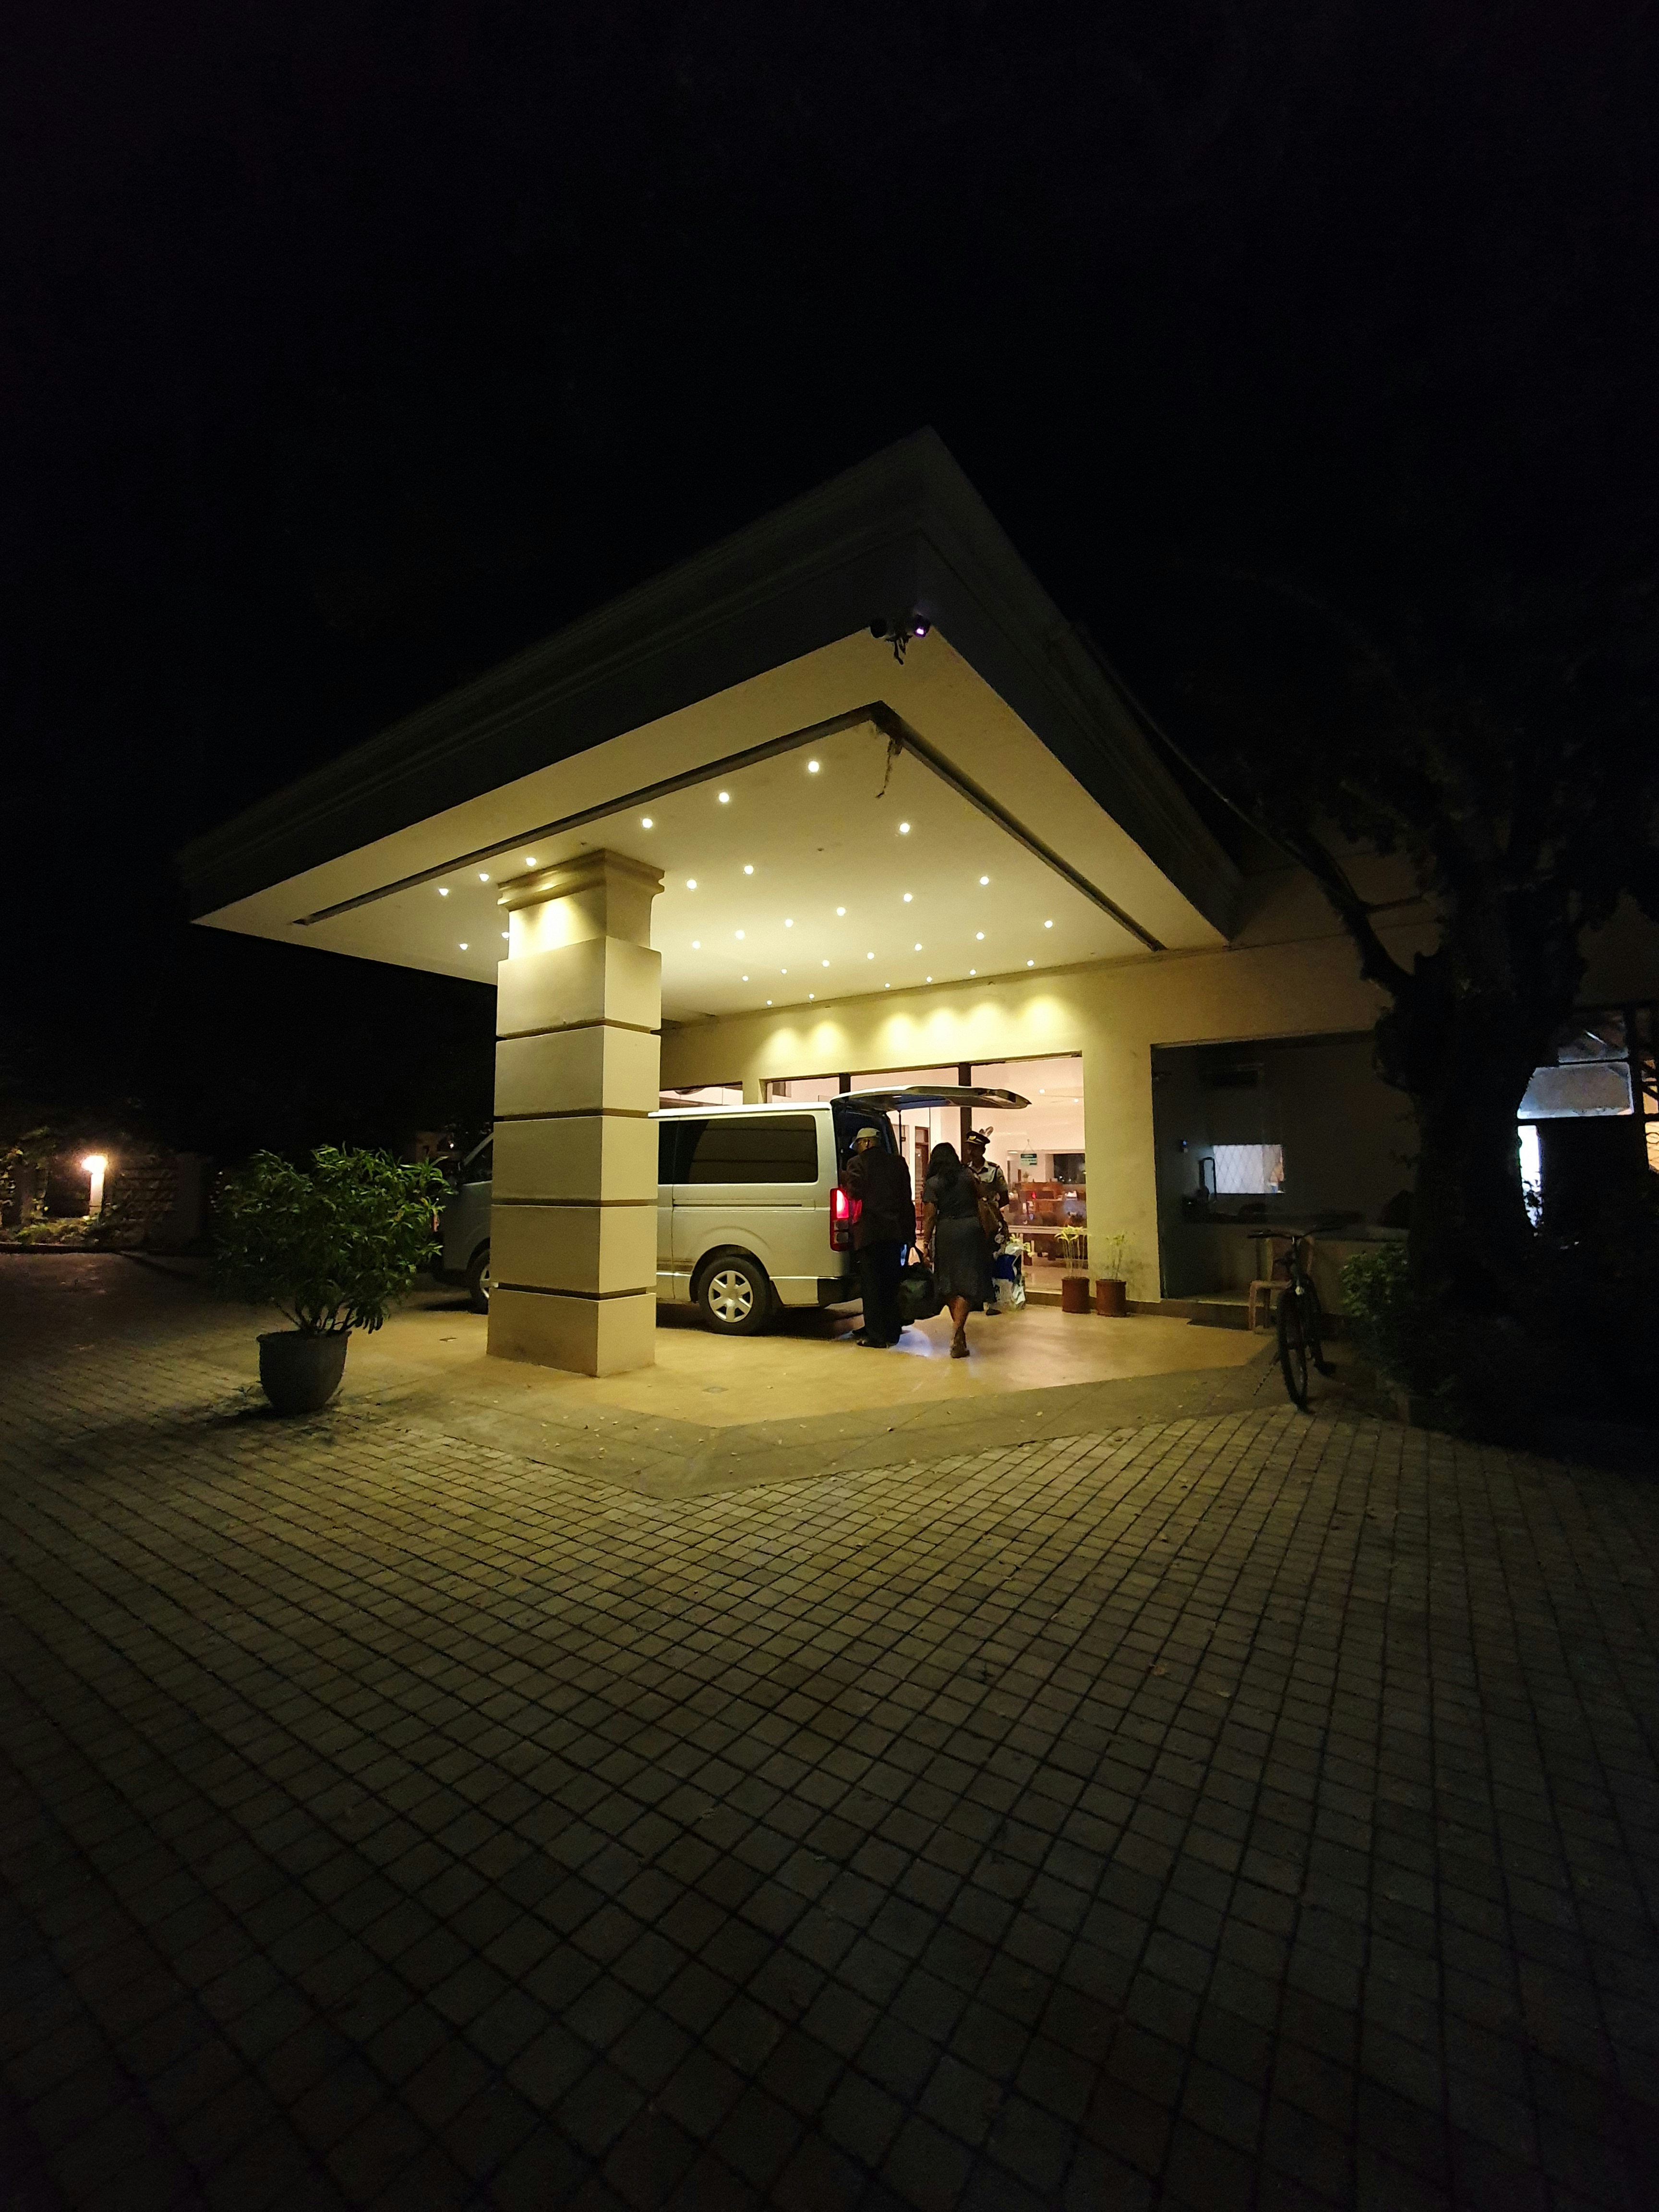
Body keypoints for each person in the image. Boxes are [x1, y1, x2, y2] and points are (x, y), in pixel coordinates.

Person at [841, 1124, 915, 1347]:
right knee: (891, 1284)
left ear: (866, 1143)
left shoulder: (857, 1164)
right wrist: (909, 1234)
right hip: (893, 1233)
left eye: (859, 1145)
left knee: (872, 1287)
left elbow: (854, 1192)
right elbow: (906, 1200)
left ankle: (876, 1336)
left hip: (870, 1233)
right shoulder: (898, 1163)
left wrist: (844, 1177)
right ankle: (893, 1332)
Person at [918, 1140, 993, 1358]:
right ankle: (958, 1333)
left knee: (950, 1284)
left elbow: (930, 1216)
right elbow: (983, 1197)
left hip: (947, 1232)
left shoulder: (934, 1183)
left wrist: (926, 1243)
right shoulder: (968, 1176)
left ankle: (958, 1331)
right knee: (968, 1282)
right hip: (971, 1230)